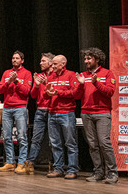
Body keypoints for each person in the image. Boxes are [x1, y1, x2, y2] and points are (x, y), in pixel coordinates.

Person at [76, 47, 117, 184]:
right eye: (85, 58)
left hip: (102, 113)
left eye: (89, 58)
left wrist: (96, 83)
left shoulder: (107, 73)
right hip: (86, 113)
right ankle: (98, 172)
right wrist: (81, 85)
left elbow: (110, 92)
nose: (86, 61)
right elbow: (77, 95)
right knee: (93, 144)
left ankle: (112, 173)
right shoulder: (83, 75)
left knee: (104, 143)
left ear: (97, 59)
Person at [0, 51, 32, 174]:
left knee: (22, 136)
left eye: (17, 58)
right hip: (7, 107)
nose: (14, 60)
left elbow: (26, 92)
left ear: (22, 60)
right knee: (7, 137)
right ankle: (10, 162)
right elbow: (0, 90)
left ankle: (22, 163)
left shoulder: (27, 74)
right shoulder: (7, 73)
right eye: (13, 58)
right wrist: (8, 82)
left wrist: (16, 81)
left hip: (20, 107)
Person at [46, 55, 80, 179]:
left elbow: (75, 93)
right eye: (52, 64)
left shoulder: (71, 75)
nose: (52, 66)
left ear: (63, 64)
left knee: (70, 143)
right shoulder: (51, 76)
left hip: (66, 112)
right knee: (55, 144)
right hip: (52, 112)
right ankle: (58, 168)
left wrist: (58, 92)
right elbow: (47, 94)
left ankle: (72, 169)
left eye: (55, 64)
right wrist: (48, 93)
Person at [24, 52, 55, 175]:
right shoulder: (39, 76)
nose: (40, 63)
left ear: (51, 63)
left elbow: (55, 92)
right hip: (40, 111)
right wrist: (36, 85)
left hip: (52, 110)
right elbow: (32, 95)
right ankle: (30, 163)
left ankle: (53, 164)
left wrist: (46, 83)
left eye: (43, 61)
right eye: (41, 61)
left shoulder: (55, 76)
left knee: (53, 140)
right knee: (36, 139)